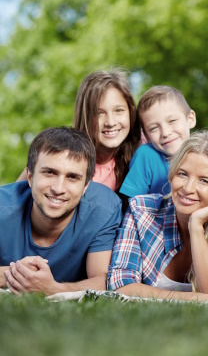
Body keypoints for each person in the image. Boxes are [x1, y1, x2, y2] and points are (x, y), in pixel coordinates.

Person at [108, 131, 208, 302]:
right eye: (182, 174)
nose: (188, 188)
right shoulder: (142, 211)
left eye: (204, 180)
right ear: (171, 175)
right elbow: (121, 285)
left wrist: (196, 225)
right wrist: (194, 298)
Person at [1, 127, 122, 296]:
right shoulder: (3, 207)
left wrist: (53, 289)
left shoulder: (104, 209)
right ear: (30, 177)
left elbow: (103, 280)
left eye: (72, 177)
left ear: (86, 185)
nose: (58, 189)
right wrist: (15, 273)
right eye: (49, 173)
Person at [17, 69, 141, 192]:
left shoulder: (141, 154)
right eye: (99, 113)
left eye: (119, 110)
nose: (111, 122)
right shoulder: (59, 153)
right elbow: (11, 198)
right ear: (85, 116)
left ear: (130, 112)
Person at [119, 86, 196, 199]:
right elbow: (133, 205)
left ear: (190, 119)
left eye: (172, 121)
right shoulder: (146, 156)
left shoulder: (204, 155)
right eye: (154, 128)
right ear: (146, 136)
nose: (165, 133)